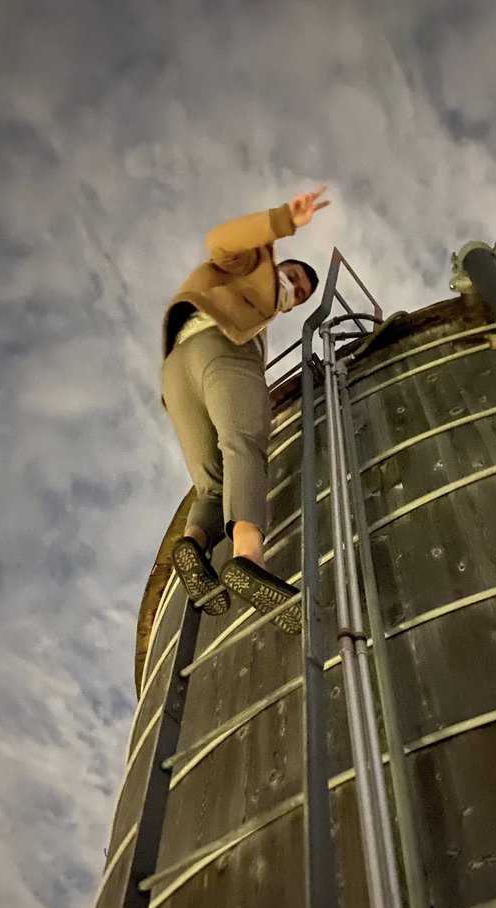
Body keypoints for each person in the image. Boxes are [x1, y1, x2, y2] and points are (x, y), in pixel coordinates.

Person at [161, 185, 331, 634]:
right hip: (221, 352)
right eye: (293, 278)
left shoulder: (257, 318)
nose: (295, 290)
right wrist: (283, 222)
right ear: (280, 267)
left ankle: (193, 545)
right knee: (246, 444)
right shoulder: (251, 268)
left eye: (301, 294)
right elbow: (220, 240)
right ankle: (248, 558)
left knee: (211, 485)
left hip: (176, 371)